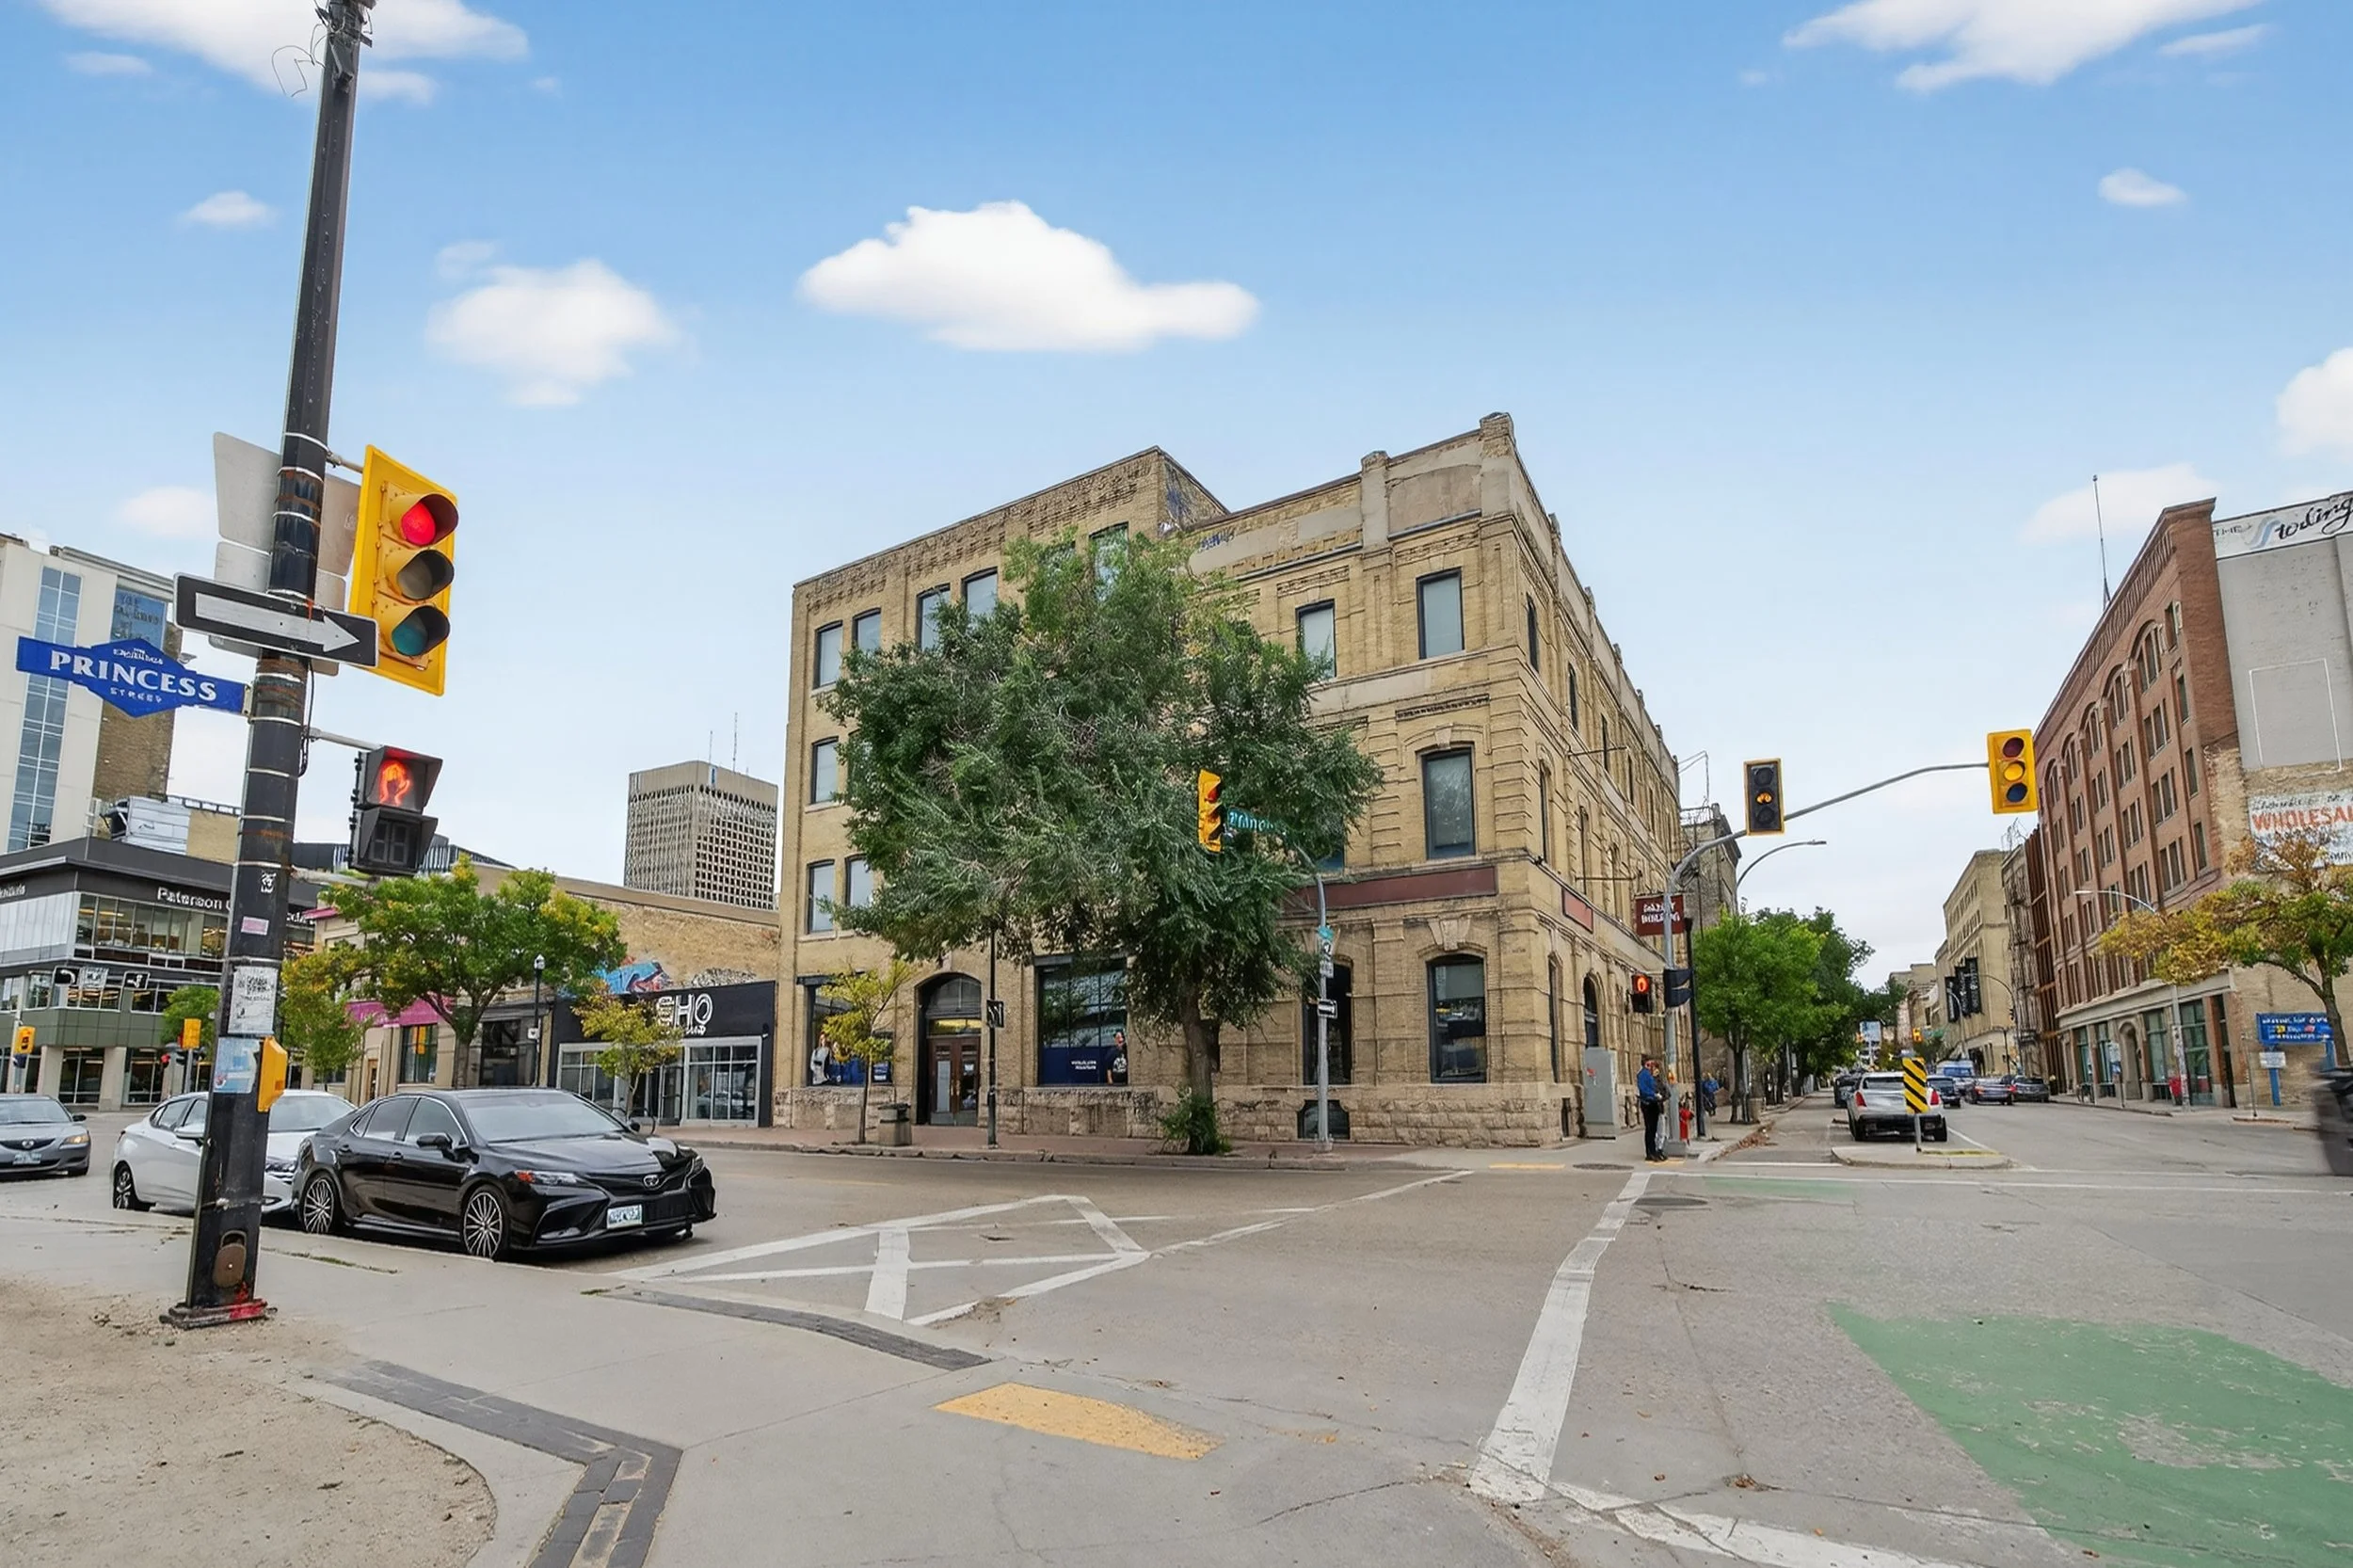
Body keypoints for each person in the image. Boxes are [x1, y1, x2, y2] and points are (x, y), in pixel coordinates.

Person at [1636, 1057, 1665, 1160]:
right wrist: (1654, 1094)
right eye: (1650, 1063)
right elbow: (1643, 1089)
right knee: (1650, 1129)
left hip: (1653, 1102)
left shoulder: (1649, 1074)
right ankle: (1650, 1152)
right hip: (1648, 1102)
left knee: (1653, 1129)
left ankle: (1653, 1151)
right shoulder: (1643, 1074)